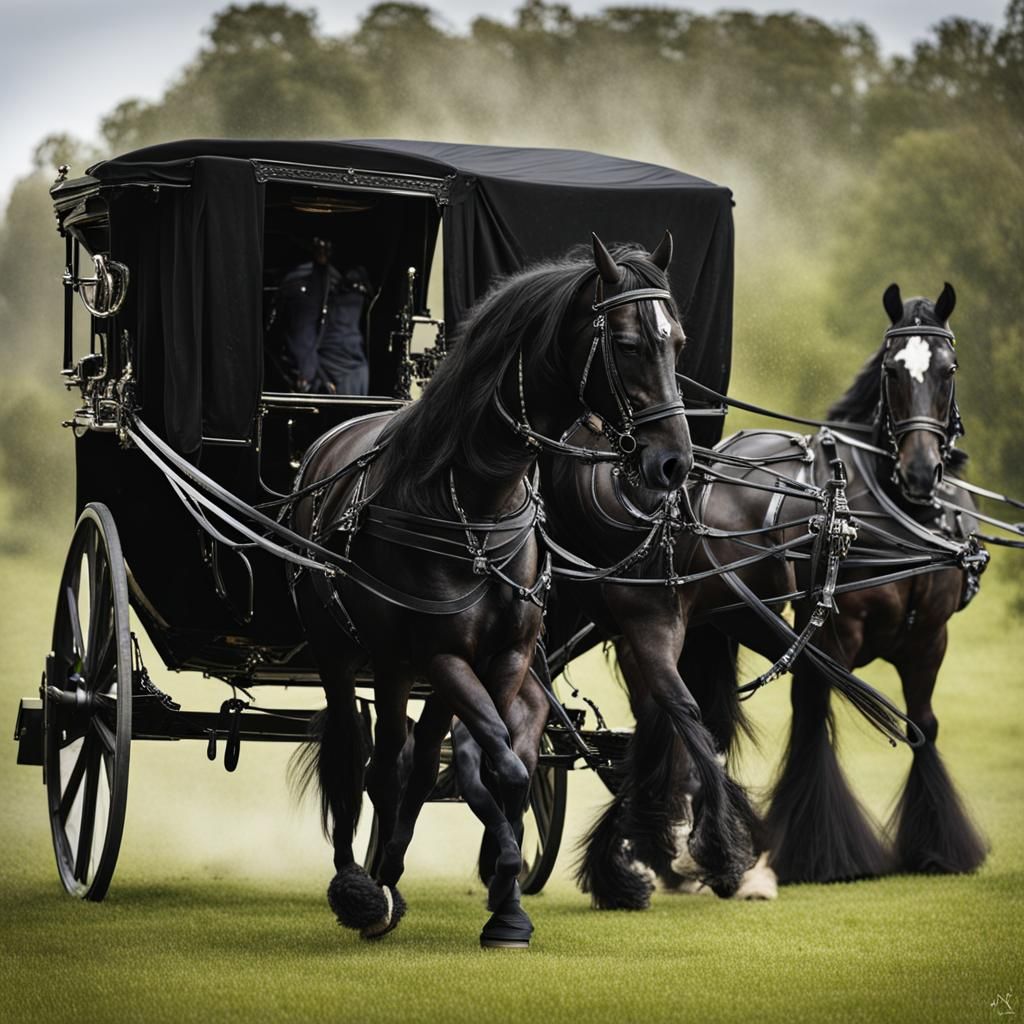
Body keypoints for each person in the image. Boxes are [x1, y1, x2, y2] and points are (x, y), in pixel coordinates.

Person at [277, 238, 370, 394]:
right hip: (336, 373)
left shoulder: (350, 277)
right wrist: (308, 371)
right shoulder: (307, 279)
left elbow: (304, 328)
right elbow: (304, 327)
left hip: (348, 371)